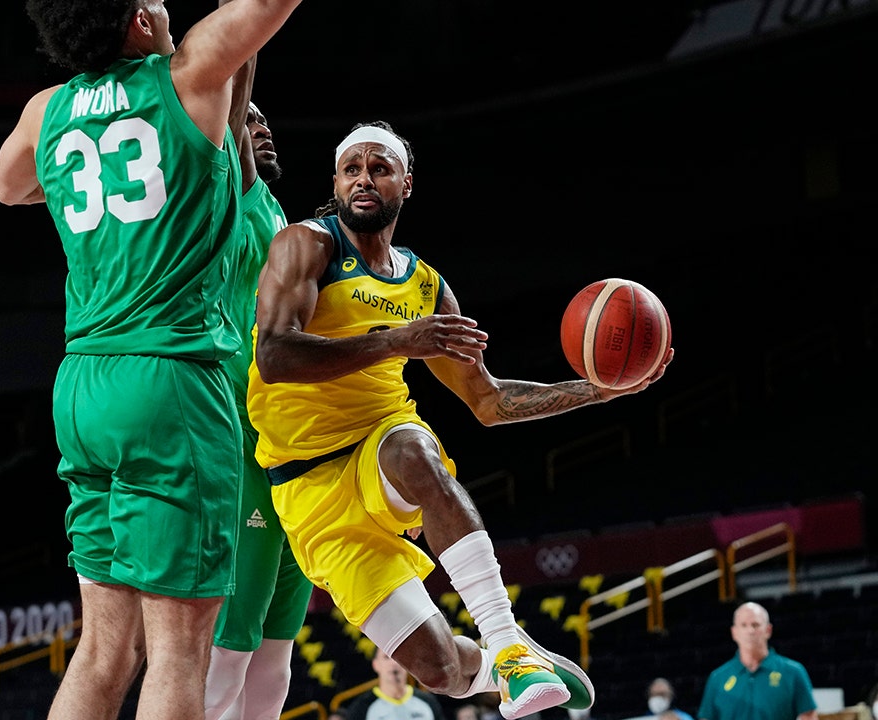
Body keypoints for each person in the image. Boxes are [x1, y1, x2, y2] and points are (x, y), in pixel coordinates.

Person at [246, 120, 673, 719]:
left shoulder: (426, 286)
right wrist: (398, 341)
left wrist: (594, 392)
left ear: (406, 184)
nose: (363, 178)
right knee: (441, 670)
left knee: (412, 451)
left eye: (379, 168)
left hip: (379, 440)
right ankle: (503, 663)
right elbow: (274, 356)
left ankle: (508, 643)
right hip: (306, 485)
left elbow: (488, 401)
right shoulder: (307, 245)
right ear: (336, 182)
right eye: (351, 169)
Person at [0, 0, 305, 718]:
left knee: (104, 650)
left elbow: (9, 187)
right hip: (170, 382)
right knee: (178, 652)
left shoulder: (47, 109)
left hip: (82, 386)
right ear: (138, 21)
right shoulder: (189, 76)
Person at [203, 95, 315, 720]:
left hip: (290, 442)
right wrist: (235, 59)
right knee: (234, 644)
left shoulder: (274, 212)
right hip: (242, 435)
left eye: (267, 118)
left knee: (276, 654)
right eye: (251, 118)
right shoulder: (230, 189)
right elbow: (226, 100)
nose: (263, 126)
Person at [698, 602, 818, 720]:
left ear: (768, 630)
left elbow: (809, 716)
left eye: (755, 625)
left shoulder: (793, 672)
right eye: (743, 625)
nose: (750, 631)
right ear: (734, 632)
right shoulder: (717, 678)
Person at [343, 644, 450, 720]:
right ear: (375, 664)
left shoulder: (427, 702)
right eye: (386, 657)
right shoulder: (362, 707)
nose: (393, 663)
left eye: (399, 658)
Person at [624, 677, 693, 720]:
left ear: (670, 696)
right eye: (654, 694)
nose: (657, 698)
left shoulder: (682, 717)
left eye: (662, 694)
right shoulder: (644, 717)